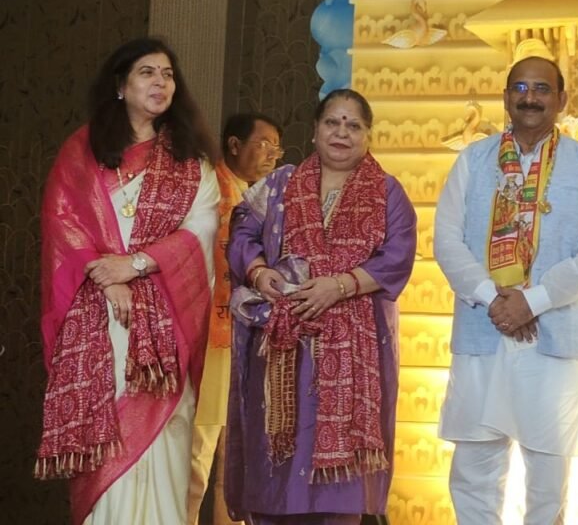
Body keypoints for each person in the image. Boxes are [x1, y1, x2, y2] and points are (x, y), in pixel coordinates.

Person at [36, 37, 220, 525]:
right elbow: (63, 223)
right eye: (147, 72)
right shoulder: (83, 152)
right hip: (101, 319)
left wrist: (135, 265)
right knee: (109, 430)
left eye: (168, 74)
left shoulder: (191, 162)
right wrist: (107, 278)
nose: (161, 82)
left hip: (165, 322)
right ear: (120, 85)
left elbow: (201, 230)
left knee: (165, 434)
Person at [434, 55, 578, 524]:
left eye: (541, 88)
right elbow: (446, 241)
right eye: (519, 88)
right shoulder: (473, 159)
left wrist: (531, 303)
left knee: (548, 480)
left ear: (562, 99)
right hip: (485, 328)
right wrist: (493, 298)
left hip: (556, 335)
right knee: (474, 470)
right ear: (505, 97)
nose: (529, 97)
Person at [224, 89, 417, 524]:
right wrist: (258, 271)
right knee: (277, 480)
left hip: (356, 354)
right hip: (283, 352)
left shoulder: (387, 193)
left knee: (339, 500)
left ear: (368, 136)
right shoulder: (280, 185)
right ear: (314, 131)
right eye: (332, 122)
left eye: (354, 125)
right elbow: (242, 232)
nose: (341, 132)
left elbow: (397, 257)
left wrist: (340, 286)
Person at [187, 113, 283, 525]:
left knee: (239, 456)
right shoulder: (208, 188)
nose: (272, 155)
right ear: (233, 145)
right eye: (263, 144)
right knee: (198, 450)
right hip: (210, 336)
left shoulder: (269, 197)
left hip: (252, 337)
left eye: (277, 147)